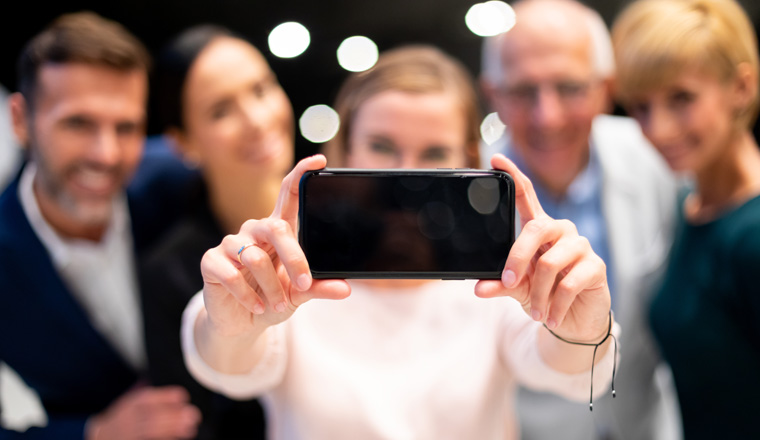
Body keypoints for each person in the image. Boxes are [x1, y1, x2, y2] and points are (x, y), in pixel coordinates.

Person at [180, 45, 620, 440]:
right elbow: (227, 364)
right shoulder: (292, 275)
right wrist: (227, 324)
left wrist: (582, 329)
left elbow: (569, 370)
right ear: (346, 150)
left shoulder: (497, 280)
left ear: (467, 162)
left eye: (434, 154)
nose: (407, 176)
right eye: (382, 146)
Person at [479, 0, 681, 438]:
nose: (546, 116)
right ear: (492, 94)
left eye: (569, 87)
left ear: (605, 89)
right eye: (522, 91)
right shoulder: (465, 194)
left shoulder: (654, 158)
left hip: (643, 425)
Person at [0, 12, 200, 439]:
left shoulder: (175, 186)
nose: (106, 155)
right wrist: (93, 433)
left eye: (126, 127)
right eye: (78, 123)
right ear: (21, 120)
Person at [611, 0, 760, 438]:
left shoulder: (752, 234)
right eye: (640, 106)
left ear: (741, 87)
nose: (658, 129)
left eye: (681, 99)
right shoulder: (687, 205)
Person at [139, 24, 295, 439]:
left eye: (262, 89)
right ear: (183, 143)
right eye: (221, 111)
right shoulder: (169, 273)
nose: (258, 121)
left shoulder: (351, 223)